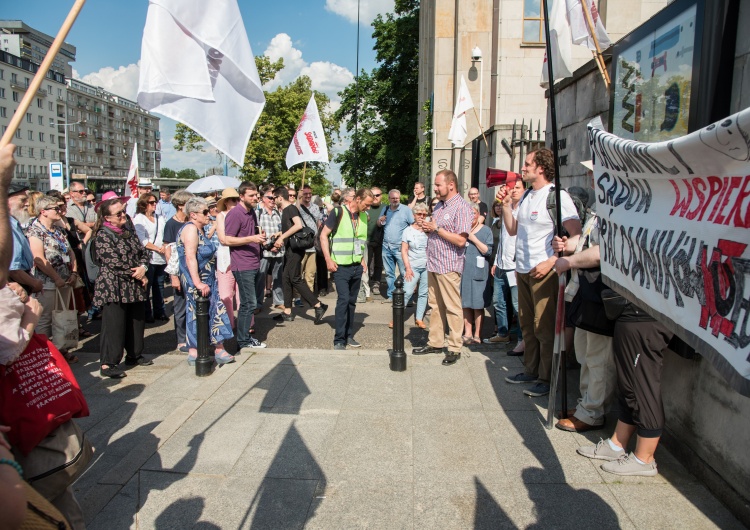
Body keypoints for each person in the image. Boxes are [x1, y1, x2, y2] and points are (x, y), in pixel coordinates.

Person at [498, 148, 582, 397]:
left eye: (527, 164)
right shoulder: (525, 197)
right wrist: (505, 206)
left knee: (544, 327)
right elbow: (513, 230)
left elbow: (575, 235)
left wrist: (553, 260)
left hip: (544, 271)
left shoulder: (557, 196)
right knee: (527, 324)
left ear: (541, 168)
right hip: (522, 268)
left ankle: (547, 378)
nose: (522, 169)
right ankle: (531, 370)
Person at [577, 303, 673, 477]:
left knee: (642, 386)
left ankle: (645, 458)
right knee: (628, 386)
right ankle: (617, 444)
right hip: (632, 313)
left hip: (647, 317)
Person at [412, 169, 473, 365]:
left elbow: (461, 240)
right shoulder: (439, 207)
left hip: (449, 264)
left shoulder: (462, 208)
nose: (435, 189)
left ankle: (454, 347)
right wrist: (427, 228)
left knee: (452, 307)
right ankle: (435, 342)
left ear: (451, 185)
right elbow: (437, 233)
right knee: (435, 306)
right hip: (434, 263)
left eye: (438, 185)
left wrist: (437, 229)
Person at [92, 196, 153, 378]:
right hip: (114, 285)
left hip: (134, 283)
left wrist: (143, 267)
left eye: (124, 211)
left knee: (136, 321)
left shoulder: (129, 228)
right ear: (107, 218)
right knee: (114, 325)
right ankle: (108, 363)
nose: (123, 215)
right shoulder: (102, 235)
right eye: (118, 213)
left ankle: (134, 355)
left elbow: (143, 251)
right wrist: (137, 273)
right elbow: (112, 261)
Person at [177, 197, 235, 365]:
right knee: (196, 313)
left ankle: (218, 347)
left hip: (209, 278)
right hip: (198, 280)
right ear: (193, 214)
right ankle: (196, 351)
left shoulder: (200, 229)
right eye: (204, 212)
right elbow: (189, 257)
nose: (208, 214)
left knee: (215, 311)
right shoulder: (190, 229)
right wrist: (197, 282)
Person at [320, 188, 375, 349]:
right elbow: (324, 235)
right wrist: (328, 259)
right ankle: (339, 339)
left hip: (356, 266)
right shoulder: (338, 212)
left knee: (352, 302)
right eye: (366, 204)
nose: (368, 208)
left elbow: (359, 240)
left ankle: (349, 335)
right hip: (340, 266)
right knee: (343, 300)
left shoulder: (364, 216)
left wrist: (362, 260)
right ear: (357, 199)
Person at [27, 195, 79, 362]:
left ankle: (61, 349)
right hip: (48, 283)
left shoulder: (58, 229)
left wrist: (74, 273)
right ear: (44, 212)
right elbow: (38, 258)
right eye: (55, 208)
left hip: (65, 280)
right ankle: (46, 354)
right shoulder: (35, 231)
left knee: (62, 317)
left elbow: (70, 252)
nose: (60, 211)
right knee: (46, 319)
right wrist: (56, 278)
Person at [271, 186, 327, 323]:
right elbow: (292, 228)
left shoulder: (290, 208)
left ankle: (318, 305)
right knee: (285, 278)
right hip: (290, 249)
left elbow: (298, 226)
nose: (273, 201)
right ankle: (287, 311)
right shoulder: (286, 210)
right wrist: (280, 234)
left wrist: (281, 237)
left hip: (296, 250)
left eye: (274, 198)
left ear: (279, 197)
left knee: (295, 278)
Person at [224, 181, 267, 351]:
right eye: (251, 195)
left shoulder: (252, 212)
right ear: (241, 196)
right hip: (242, 265)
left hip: (253, 261)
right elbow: (227, 239)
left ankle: (245, 338)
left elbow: (251, 234)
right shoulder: (235, 214)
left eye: (256, 195)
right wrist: (252, 239)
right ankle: (243, 340)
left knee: (249, 303)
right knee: (248, 303)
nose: (256, 197)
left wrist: (260, 236)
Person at [484, 178, 525, 353]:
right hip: (501, 265)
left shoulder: (523, 210)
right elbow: (502, 241)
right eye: (511, 188)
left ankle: (523, 340)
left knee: (517, 306)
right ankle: (502, 332)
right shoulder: (505, 212)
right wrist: (496, 262)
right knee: (498, 301)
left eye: (518, 188)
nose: (513, 191)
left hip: (515, 267)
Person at [163, 189, 194, 352]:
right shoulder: (171, 224)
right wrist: (173, 276)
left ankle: (192, 336)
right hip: (179, 271)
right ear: (181, 206)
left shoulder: (192, 222)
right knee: (180, 306)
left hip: (193, 270)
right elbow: (169, 251)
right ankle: (181, 339)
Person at [461, 202, 494, 343]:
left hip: (478, 272)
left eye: (473, 213)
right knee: (466, 303)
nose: (471, 216)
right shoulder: (462, 229)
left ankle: (477, 335)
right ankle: (467, 333)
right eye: (468, 213)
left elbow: (488, 251)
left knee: (477, 304)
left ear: (479, 214)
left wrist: (473, 238)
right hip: (464, 271)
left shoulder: (486, 230)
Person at [133, 192, 168, 323]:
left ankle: (160, 311)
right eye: (151, 202)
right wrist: (157, 248)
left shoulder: (160, 218)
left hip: (161, 257)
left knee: (159, 286)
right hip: (149, 257)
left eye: (155, 202)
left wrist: (164, 246)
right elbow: (142, 240)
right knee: (147, 287)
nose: (154, 205)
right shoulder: (139, 219)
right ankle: (147, 313)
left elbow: (164, 234)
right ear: (144, 205)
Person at [8, 184, 44, 296]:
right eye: (23, 200)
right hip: (14, 285)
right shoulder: (6, 226)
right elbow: (13, 269)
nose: (27, 204)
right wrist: (34, 283)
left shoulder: (14, 223)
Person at [379, 189, 414, 302]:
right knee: (389, 273)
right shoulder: (385, 209)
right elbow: (378, 224)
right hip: (386, 246)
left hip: (400, 247)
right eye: (393, 198)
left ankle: (406, 297)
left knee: (405, 273)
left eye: (397, 198)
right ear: (389, 199)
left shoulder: (406, 210)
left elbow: (412, 225)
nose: (395, 200)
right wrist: (380, 221)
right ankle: (391, 295)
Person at [398, 202, 429, 329]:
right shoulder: (408, 231)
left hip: (427, 266)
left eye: (424, 214)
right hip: (413, 265)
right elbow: (404, 250)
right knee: (407, 292)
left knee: (423, 293)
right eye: (419, 214)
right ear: (414, 215)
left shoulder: (429, 230)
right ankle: (397, 318)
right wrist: (408, 268)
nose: (422, 216)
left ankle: (419, 318)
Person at [215, 188, 241, 330]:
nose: (236, 202)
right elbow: (223, 239)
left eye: (238, 199)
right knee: (225, 295)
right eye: (233, 200)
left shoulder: (243, 214)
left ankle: (246, 324)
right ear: (225, 202)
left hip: (242, 258)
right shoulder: (221, 216)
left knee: (243, 296)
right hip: (225, 259)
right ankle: (228, 324)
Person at [255, 184, 284, 309]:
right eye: (270, 198)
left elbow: (283, 230)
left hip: (279, 250)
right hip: (265, 252)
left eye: (274, 198)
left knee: (278, 278)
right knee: (260, 278)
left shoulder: (279, 213)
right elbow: (256, 232)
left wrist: (279, 243)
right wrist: (267, 246)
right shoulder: (258, 213)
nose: (273, 200)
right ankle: (257, 303)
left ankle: (279, 301)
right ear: (263, 198)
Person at [297, 185, 322, 294]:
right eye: (305, 194)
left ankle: (309, 296)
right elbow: (294, 213)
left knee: (310, 273)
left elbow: (318, 222)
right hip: (300, 245)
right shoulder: (296, 206)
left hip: (312, 245)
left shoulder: (315, 207)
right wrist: (298, 199)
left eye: (309, 193)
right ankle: (297, 296)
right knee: (298, 273)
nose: (308, 196)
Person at [366, 187, 385, 296]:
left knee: (378, 263)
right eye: (373, 195)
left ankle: (376, 283)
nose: (375, 198)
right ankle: (366, 283)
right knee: (366, 263)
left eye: (377, 195)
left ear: (381, 195)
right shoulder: (366, 207)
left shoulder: (385, 208)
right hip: (367, 240)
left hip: (380, 240)